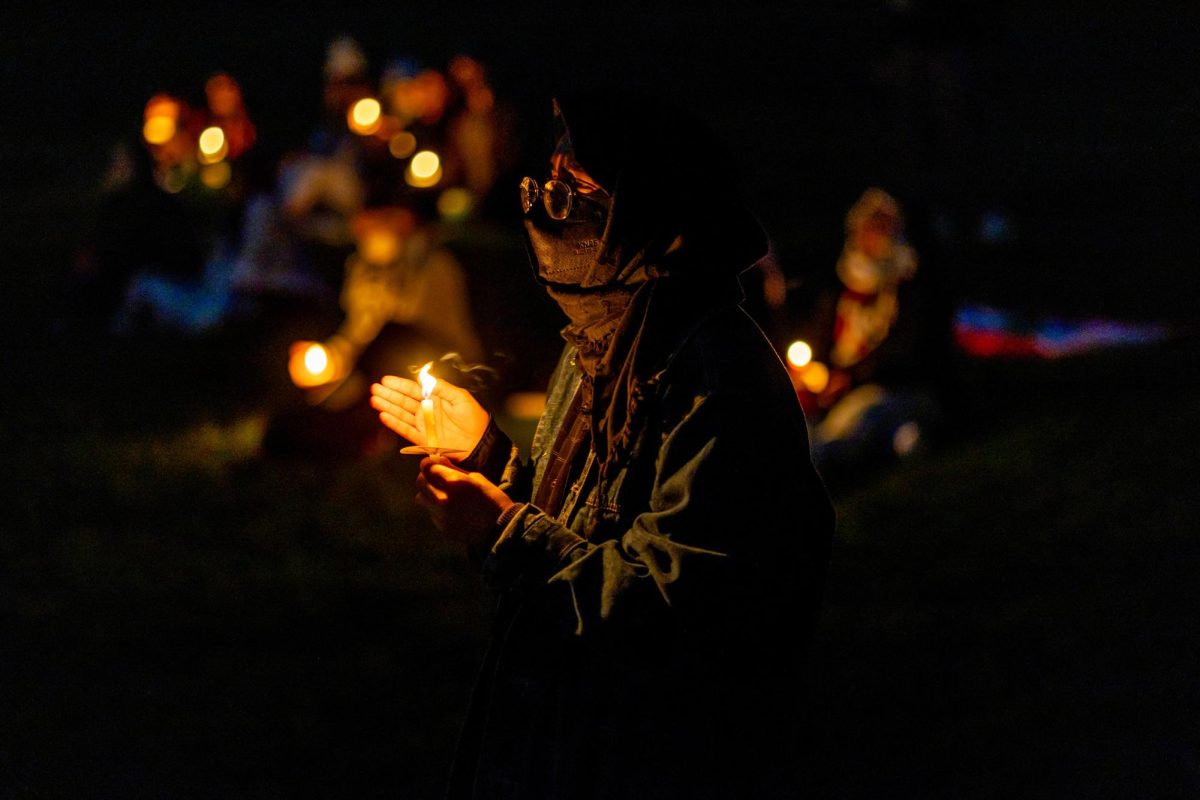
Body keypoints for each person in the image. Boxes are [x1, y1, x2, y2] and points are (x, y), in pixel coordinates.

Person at [369, 94, 834, 798]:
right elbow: (589, 532)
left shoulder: (712, 376)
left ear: (646, 212)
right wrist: (493, 460)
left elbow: (675, 606)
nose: (549, 207)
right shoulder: (600, 343)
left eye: (575, 190)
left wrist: (502, 532)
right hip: (561, 739)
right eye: (548, 183)